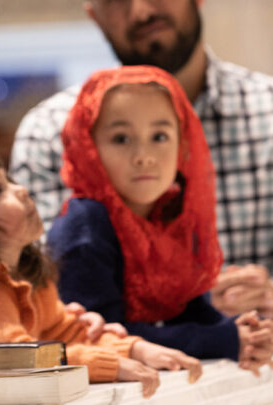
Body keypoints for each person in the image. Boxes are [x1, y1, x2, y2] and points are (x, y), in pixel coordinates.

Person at [8, 0, 273, 317]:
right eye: (115, 1)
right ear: (95, 16)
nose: (141, 12)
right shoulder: (49, 131)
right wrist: (181, 306)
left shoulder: (267, 110)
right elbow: (39, 293)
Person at [0, 143, 202, 398]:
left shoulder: (25, 276)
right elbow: (19, 359)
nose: (20, 190)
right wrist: (109, 364)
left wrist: (135, 348)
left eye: (8, 179)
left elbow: (67, 332)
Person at [47, 66, 273, 375]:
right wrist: (222, 339)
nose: (144, 155)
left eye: (160, 136)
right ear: (88, 146)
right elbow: (102, 338)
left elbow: (189, 311)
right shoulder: (85, 225)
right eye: (121, 138)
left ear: (182, 144)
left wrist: (249, 333)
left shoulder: (169, 213)